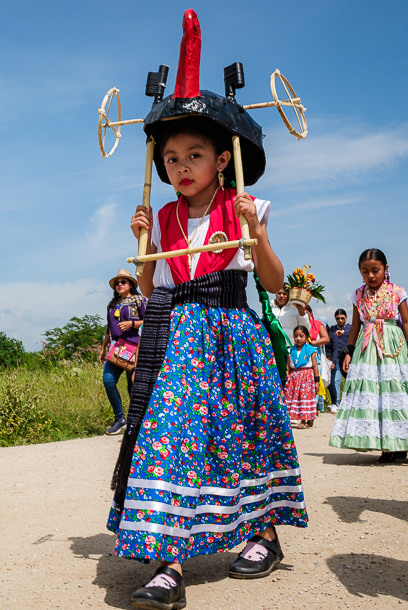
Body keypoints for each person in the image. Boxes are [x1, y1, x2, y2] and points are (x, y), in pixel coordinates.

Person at [109, 16, 308, 605]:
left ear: (223, 159)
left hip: (232, 331)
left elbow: (272, 284)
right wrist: (145, 245)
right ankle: (167, 566)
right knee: (168, 438)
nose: (181, 167)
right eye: (171, 159)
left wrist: (255, 234)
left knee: (242, 433)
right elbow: (147, 287)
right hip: (176, 334)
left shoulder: (250, 205)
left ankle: (263, 534)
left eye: (194, 154)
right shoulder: (164, 216)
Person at [330, 248, 408, 463]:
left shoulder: (397, 292)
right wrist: (349, 351)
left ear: (385, 269)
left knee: (396, 391)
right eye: (365, 272)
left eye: (375, 270)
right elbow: (355, 325)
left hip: (394, 346)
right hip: (367, 348)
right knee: (375, 393)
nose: (371, 276)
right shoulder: (358, 295)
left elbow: (406, 322)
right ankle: (386, 445)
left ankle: (401, 443)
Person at [99, 269, 146, 435]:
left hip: (134, 347)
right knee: (108, 381)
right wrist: (103, 347)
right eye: (117, 283)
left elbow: (148, 319)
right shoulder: (112, 304)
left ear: (131, 284)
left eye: (123, 282)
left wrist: (131, 324)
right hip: (116, 348)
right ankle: (120, 418)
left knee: (132, 386)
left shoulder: (139, 300)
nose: (120, 284)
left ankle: (137, 422)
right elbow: (108, 327)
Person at [284, 325, 320, 428]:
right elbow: (288, 366)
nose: (298, 338)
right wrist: (287, 378)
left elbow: (315, 366)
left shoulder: (310, 350)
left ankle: (304, 420)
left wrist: (316, 381)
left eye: (301, 336)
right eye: (296, 336)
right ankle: (307, 418)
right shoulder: (291, 350)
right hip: (294, 377)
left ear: (306, 337)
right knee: (296, 398)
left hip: (306, 377)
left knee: (305, 397)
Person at [303, 303, 330, 413]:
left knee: (315, 378)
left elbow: (326, 338)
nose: (304, 314)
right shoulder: (299, 323)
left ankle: (315, 407)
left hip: (315, 354)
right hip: (301, 354)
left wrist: (311, 342)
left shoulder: (318, 324)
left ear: (310, 312)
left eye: (306, 312)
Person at [325, 309, 350, 413]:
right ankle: (336, 403)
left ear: (346, 318)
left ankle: (349, 403)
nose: (340, 320)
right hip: (337, 358)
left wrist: (344, 332)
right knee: (335, 381)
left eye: (342, 318)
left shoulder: (350, 328)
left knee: (350, 381)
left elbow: (355, 332)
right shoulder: (332, 329)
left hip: (349, 358)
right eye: (338, 318)